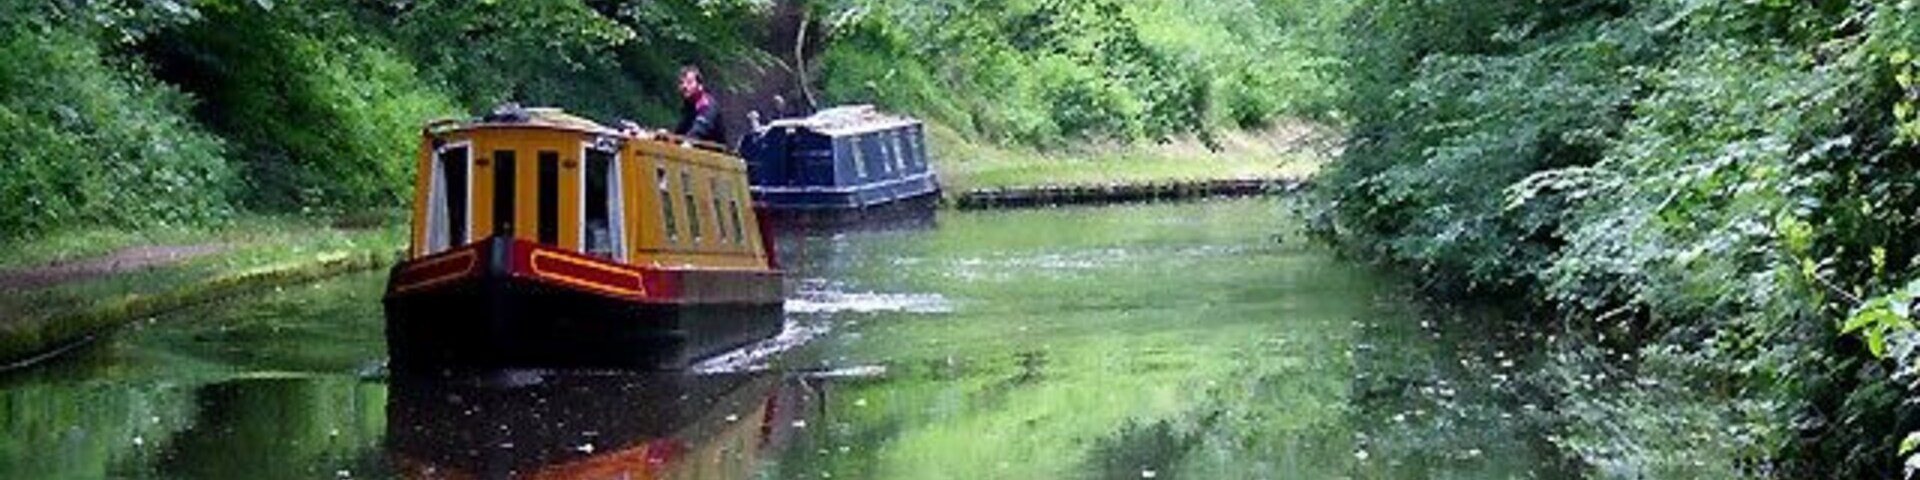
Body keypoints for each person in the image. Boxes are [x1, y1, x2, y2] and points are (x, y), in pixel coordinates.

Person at [673, 65, 727, 145]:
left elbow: (699, 130)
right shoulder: (688, 106)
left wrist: (687, 143)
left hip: (713, 154)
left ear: (700, 86)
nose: (684, 86)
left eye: (689, 82)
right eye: (681, 83)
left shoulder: (706, 103)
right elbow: (680, 132)